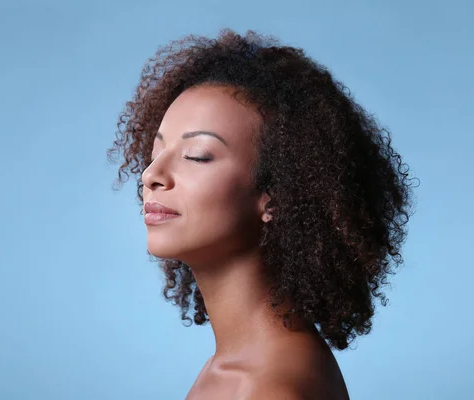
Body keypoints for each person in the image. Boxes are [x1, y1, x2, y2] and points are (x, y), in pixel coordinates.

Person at [108, 29, 413, 399]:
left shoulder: (264, 388)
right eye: (157, 151)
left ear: (276, 197)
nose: (151, 175)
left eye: (197, 155)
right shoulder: (241, 365)